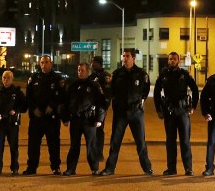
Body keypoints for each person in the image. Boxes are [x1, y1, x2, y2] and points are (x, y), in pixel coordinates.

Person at [99, 48, 153, 176]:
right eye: (123, 56)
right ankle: (110, 168)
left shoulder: (140, 73)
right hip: (121, 113)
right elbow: (111, 91)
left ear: (133, 58)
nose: (125, 58)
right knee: (115, 142)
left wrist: (141, 101)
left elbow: (145, 90)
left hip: (136, 112)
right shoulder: (117, 74)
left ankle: (147, 168)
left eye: (127, 56)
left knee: (141, 142)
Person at [154, 51, 199, 176]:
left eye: (174, 59)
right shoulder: (163, 75)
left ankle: (188, 168)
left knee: (185, 141)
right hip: (169, 112)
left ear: (178, 61)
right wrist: (158, 110)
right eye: (170, 59)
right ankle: (171, 168)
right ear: (168, 61)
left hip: (183, 111)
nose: (172, 61)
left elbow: (195, 90)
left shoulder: (184, 74)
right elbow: (157, 93)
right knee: (170, 141)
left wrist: (193, 107)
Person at [22, 55, 64, 175]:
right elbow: (28, 96)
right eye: (42, 62)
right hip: (37, 116)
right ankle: (32, 167)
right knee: (33, 144)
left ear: (51, 63)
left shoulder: (57, 78)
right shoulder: (34, 78)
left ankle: (55, 167)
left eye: (46, 62)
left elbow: (61, 95)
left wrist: (52, 106)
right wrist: (33, 109)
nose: (44, 65)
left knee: (54, 143)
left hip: (51, 117)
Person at [61, 63, 106, 176]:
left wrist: (99, 119)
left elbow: (101, 103)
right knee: (74, 146)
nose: (80, 72)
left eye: (82, 70)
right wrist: (65, 118)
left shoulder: (94, 85)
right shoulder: (72, 85)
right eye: (79, 70)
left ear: (88, 71)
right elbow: (65, 103)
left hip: (89, 120)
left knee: (91, 145)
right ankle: (71, 169)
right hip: (75, 119)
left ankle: (94, 168)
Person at [0, 70, 27, 176]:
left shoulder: (17, 92)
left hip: (12, 123)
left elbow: (24, 106)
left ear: (12, 79)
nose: (6, 80)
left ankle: (14, 168)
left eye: (8, 78)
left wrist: (15, 110)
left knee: (13, 147)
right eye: (4, 78)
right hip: (0, 124)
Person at [88, 56, 111, 161]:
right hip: (90, 108)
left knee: (99, 130)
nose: (92, 64)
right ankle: (92, 152)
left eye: (93, 62)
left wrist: (105, 108)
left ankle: (99, 153)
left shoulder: (105, 76)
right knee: (91, 130)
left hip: (100, 108)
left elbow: (107, 94)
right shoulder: (91, 76)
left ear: (98, 63)